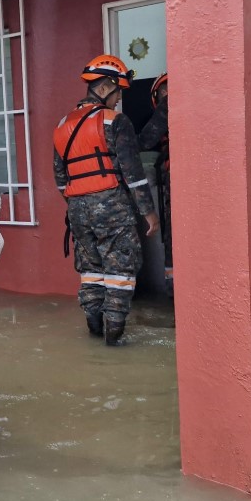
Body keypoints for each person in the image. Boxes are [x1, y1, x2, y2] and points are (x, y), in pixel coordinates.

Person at [53, 54, 159, 346]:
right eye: (118, 92)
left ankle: (94, 329)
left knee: (90, 270)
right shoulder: (115, 121)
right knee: (120, 271)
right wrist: (148, 212)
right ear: (105, 87)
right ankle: (114, 341)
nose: (119, 99)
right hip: (112, 204)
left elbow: (60, 178)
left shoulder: (63, 124)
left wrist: (81, 202)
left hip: (77, 210)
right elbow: (133, 172)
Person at [138, 73, 173, 299]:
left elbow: (145, 140)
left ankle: (175, 295)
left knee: (173, 235)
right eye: (163, 91)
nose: (166, 95)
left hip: (177, 178)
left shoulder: (168, 104)